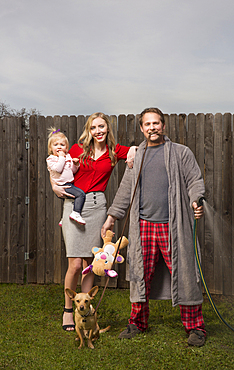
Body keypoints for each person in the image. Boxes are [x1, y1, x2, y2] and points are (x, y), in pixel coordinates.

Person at [101, 107, 206, 347]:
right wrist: (111, 217)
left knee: (186, 274)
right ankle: (137, 323)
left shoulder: (181, 153)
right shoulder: (136, 156)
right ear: (141, 128)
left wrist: (195, 200)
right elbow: (125, 190)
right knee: (139, 274)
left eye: (156, 123)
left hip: (174, 226)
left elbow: (195, 181)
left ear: (163, 125)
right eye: (147, 124)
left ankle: (195, 328)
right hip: (143, 226)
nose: (152, 128)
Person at [51, 112, 137, 331]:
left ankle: (86, 310)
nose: (98, 131)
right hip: (74, 206)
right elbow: (58, 169)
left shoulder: (114, 151)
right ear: (89, 130)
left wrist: (133, 152)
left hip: (98, 206)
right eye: (93, 127)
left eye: (102, 127)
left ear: (107, 128)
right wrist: (54, 186)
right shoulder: (78, 149)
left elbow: (138, 150)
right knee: (75, 264)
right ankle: (68, 310)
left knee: (90, 265)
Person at [47, 128, 86, 225]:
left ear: (66, 148)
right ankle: (76, 213)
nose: (59, 147)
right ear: (51, 148)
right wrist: (61, 157)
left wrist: (76, 165)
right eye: (56, 145)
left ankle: (64, 218)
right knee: (81, 195)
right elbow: (58, 169)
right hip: (62, 185)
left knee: (70, 201)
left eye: (62, 145)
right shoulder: (51, 159)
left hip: (69, 183)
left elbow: (72, 171)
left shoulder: (67, 156)